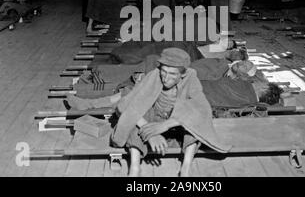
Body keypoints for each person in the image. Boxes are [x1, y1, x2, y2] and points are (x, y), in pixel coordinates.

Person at [68, 48, 231, 176]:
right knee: (132, 119)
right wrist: (150, 132)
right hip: (153, 119)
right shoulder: (154, 75)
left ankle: (186, 169)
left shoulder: (191, 78)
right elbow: (126, 106)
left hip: (174, 122)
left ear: (182, 75)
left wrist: (166, 126)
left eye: (172, 74)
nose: (165, 78)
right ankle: (135, 169)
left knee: (194, 124)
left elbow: (202, 109)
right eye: (163, 71)